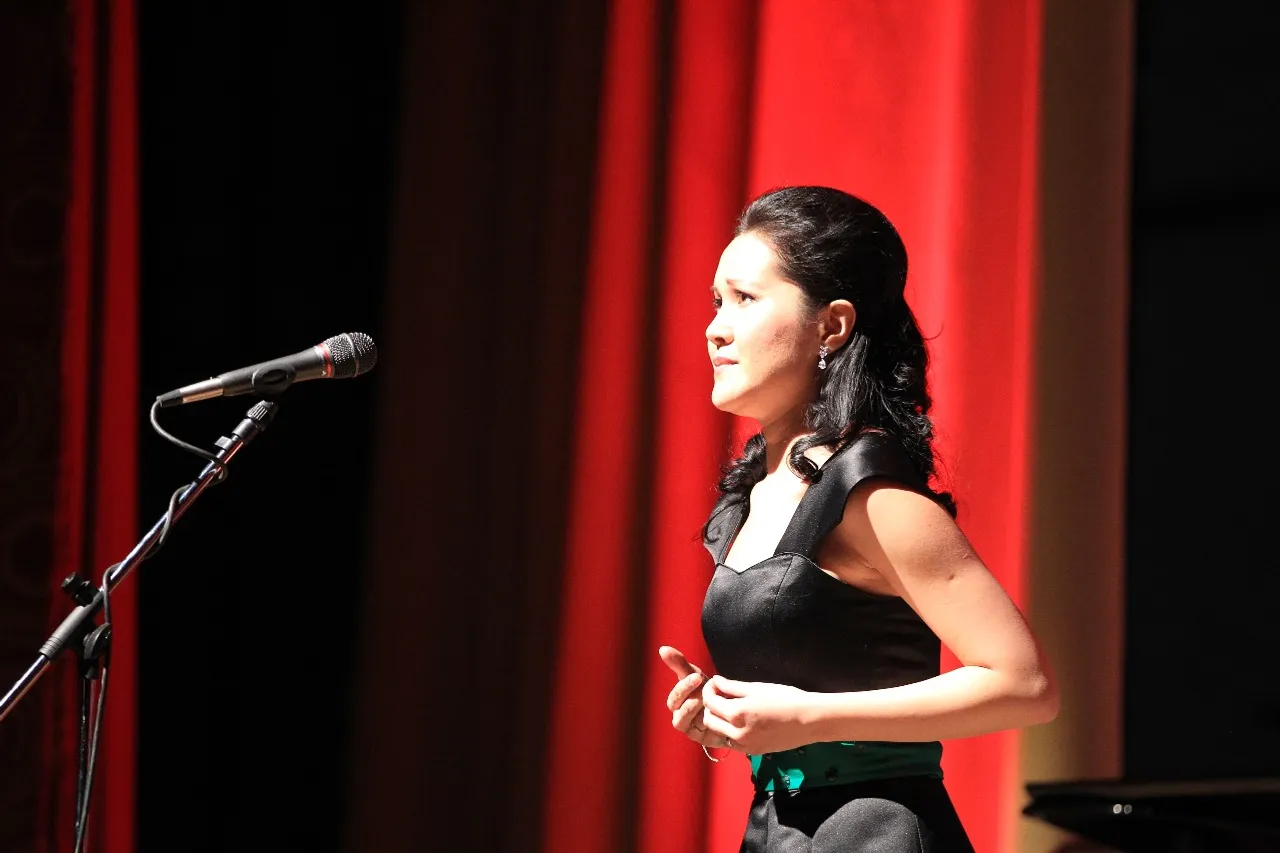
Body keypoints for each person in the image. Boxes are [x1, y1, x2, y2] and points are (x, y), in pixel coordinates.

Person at [659, 185, 1058, 852]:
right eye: (716, 302)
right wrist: (724, 713)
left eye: (745, 299)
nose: (715, 328)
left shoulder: (868, 491)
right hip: (780, 828)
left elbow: (1025, 684)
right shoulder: (753, 495)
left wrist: (810, 718)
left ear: (832, 326)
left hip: (874, 831)